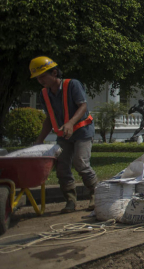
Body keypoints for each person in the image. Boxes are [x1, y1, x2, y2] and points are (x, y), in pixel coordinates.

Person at [32, 57, 98, 213]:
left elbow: (82, 106)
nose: (41, 80)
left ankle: (96, 194)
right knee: (61, 167)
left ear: (54, 72)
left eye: (43, 76)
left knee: (80, 162)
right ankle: (70, 200)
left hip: (82, 131)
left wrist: (70, 123)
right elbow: (49, 118)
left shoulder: (72, 85)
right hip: (64, 135)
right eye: (38, 78)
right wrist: (39, 139)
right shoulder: (44, 94)